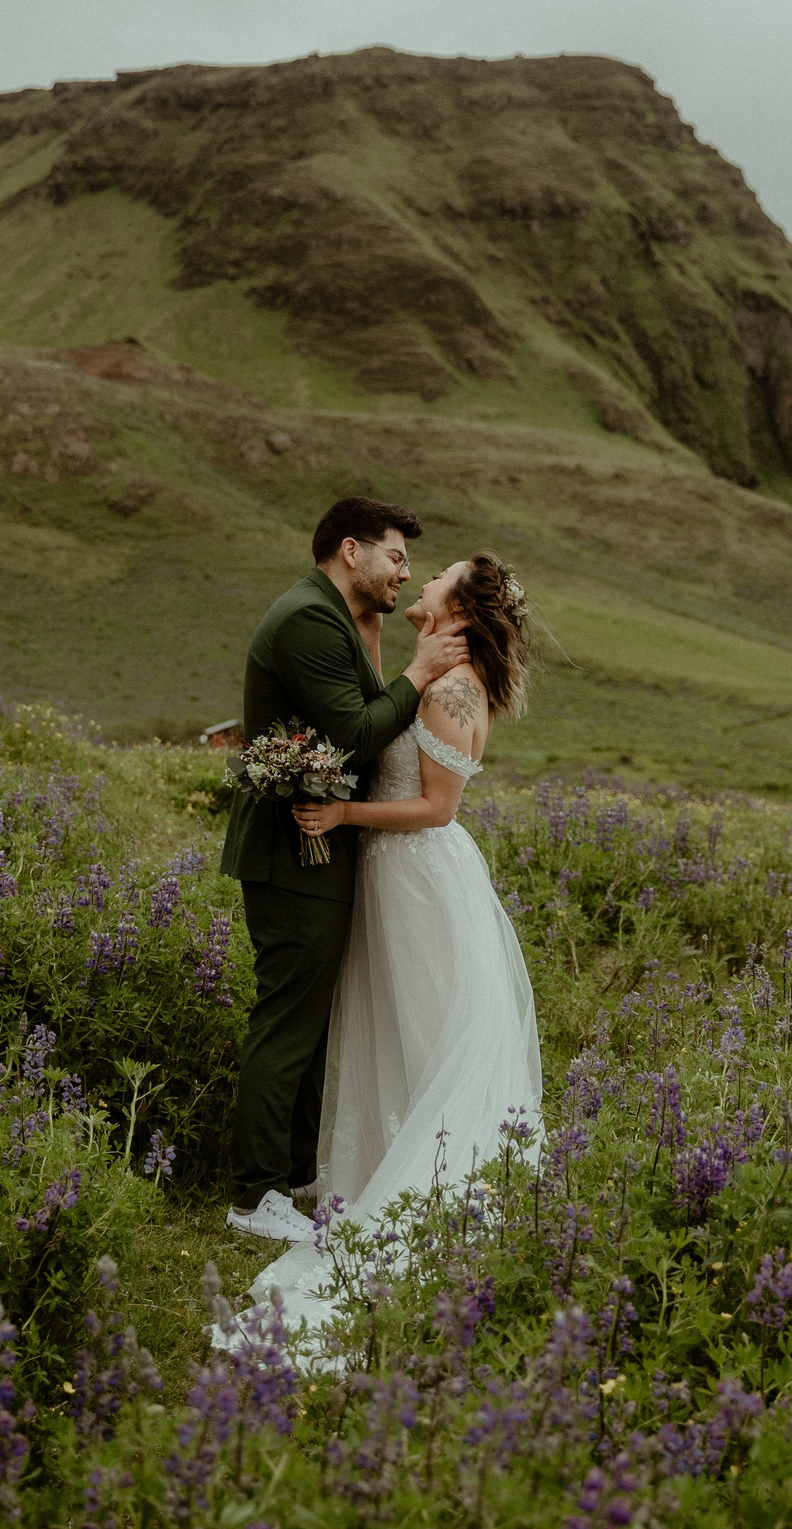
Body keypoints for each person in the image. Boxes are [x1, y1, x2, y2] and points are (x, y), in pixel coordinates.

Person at [242, 549, 546, 1344]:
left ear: (460, 605)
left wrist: (343, 815)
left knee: (424, 1031)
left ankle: (431, 1189)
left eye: (439, 574)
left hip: (419, 880)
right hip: (394, 875)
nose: (422, 578)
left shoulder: (451, 687)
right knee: (392, 1029)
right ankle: (390, 1173)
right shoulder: (430, 671)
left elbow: (438, 807)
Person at [220, 498, 469, 1244]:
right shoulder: (308, 619)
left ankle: (294, 1173)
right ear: (352, 550)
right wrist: (419, 672)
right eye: (396, 556)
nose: (405, 573)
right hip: (292, 847)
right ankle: (253, 1195)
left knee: (313, 1018)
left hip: (322, 847)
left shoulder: (341, 618)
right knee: (288, 1018)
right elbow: (356, 735)